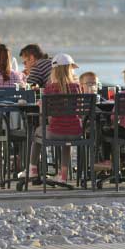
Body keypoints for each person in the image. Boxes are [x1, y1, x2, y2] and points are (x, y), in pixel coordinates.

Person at [26, 53, 82, 184]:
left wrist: (41, 108)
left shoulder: (49, 89)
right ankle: (63, 176)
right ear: (70, 69)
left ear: (54, 70)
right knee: (66, 142)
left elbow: (44, 115)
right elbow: (80, 111)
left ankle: (32, 168)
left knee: (37, 133)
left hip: (55, 132)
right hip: (75, 133)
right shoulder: (77, 87)